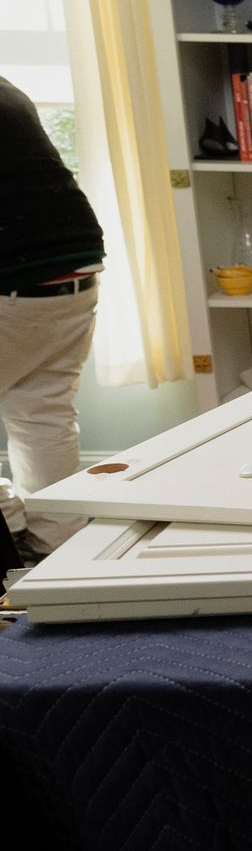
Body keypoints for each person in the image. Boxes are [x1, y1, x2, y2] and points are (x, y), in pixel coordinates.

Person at [0, 76, 105, 566]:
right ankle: (56, 555)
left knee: (40, 411)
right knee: (41, 411)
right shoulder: (5, 89)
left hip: (15, 271)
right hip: (72, 267)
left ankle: (8, 531)